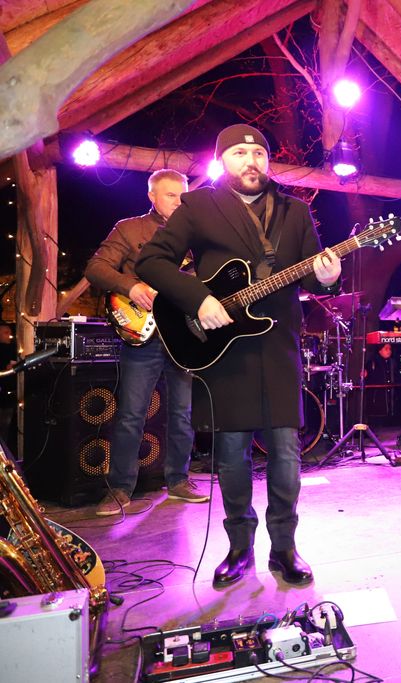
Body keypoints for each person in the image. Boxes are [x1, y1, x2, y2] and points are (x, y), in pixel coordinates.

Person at [136, 124, 341, 588]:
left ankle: (284, 548)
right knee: (231, 456)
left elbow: (312, 274)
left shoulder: (294, 210)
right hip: (223, 349)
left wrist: (327, 278)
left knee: (286, 455)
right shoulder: (199, 205)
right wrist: (199, 299)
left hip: (279, 345)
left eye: (259, 153)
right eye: (240, 153)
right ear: (222, 161)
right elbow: (151, 261)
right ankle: (239, 548)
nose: (252, 161)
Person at [84, 169, 207, 516]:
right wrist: (131, 286)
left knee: (183, 413)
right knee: (131, 414)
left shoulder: (197, 234)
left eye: (183, 196)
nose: (179, 202)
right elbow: (95, 268)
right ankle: (120, 489)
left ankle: (179, 481)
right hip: (143, 335)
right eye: (171, 195)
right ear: (152, 196)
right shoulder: (129, 228)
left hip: (183, 335)